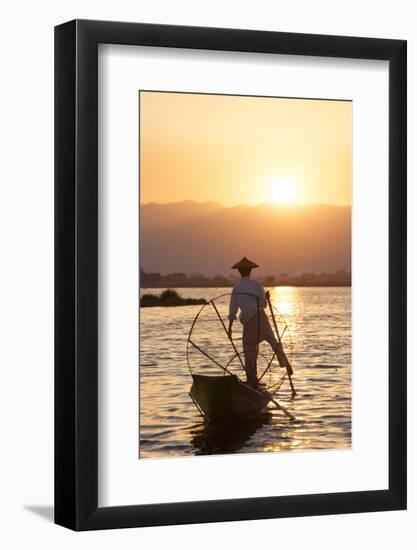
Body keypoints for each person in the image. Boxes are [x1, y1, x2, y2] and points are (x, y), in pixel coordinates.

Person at [227, 256, 287, 389]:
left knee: (249, 351)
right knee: (273, 341)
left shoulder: (237, 289)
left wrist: (229, 329)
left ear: (239, 272)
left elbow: (232, 311)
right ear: (250, 271)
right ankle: (285, 363)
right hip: (261, 319)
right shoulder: (257, 285)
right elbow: (264, 304)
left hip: (248, 323)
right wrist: (265, 298)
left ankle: (252, 380)